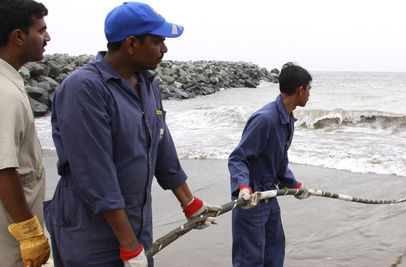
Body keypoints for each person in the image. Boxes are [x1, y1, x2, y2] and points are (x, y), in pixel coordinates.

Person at [44, 2, 221, 266]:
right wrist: (128, 246)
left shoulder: (148, 84)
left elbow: (162, 148)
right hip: (90, 233)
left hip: (136, 224)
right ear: (130, 44)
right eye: (157, 41)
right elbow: (96, 173)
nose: (165, 49)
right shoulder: (84, 89)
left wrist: (190, 203)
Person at [228, 62, 312, 267]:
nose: (310, 94)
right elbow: (238, 158)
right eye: (309, 89)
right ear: (299, 89)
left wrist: (295, 185)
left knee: (274, 254)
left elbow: (278, 163)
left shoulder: (288, 118)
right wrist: (243, 187)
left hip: (270, 197)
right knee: (250, 260)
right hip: (252, 200)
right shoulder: (265, 119)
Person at [0, 1, 52, 266]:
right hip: (10, 244)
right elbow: (3, 169)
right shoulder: (4, 93)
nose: (48, 38)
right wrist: (29, 233)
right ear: (18, 36)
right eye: (41, 30)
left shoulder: (10, 81)